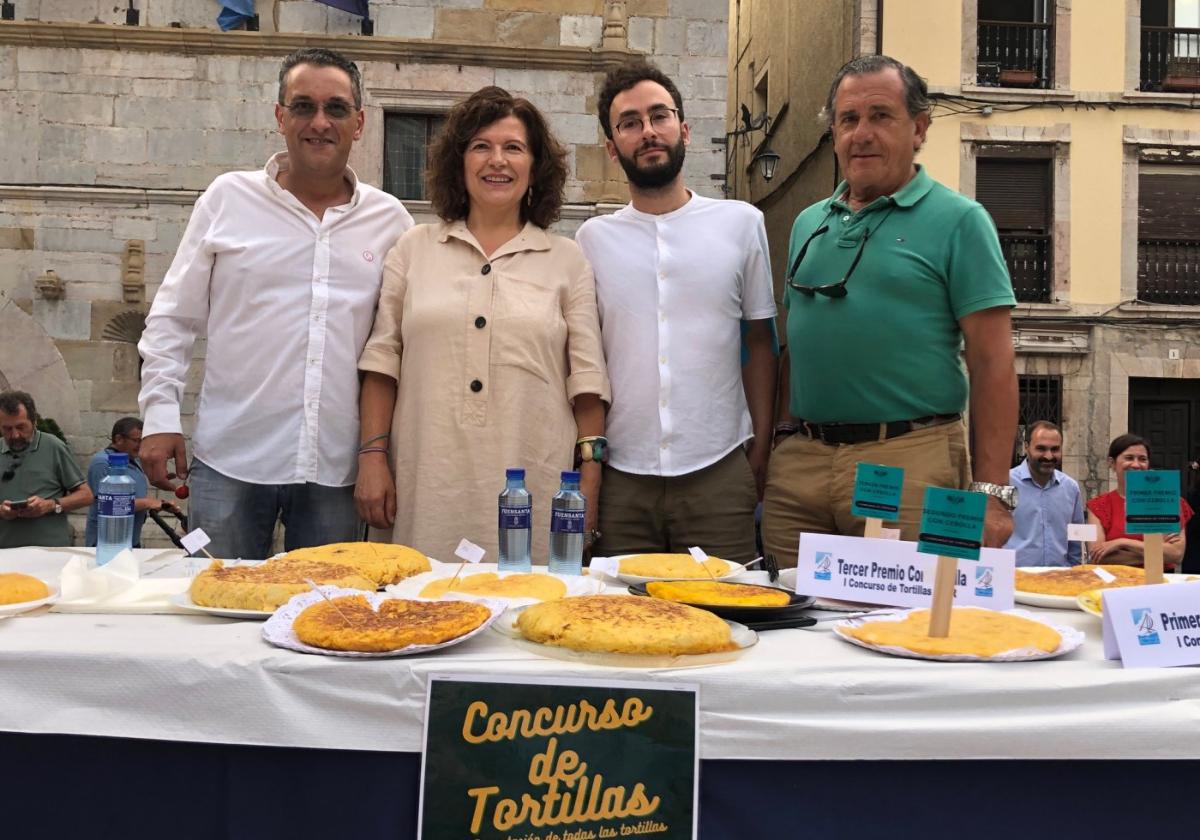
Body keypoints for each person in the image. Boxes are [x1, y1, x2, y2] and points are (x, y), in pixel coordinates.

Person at [137, 48, 413, 559]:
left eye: (335, 109)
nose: (319, 122)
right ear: (280, 116)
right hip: (232, 459)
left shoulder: (391, 220)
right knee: (213, 614)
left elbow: (396, 348)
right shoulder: (227, 199)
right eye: (304, 106)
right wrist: (159, 416)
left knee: (330, 619)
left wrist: (382, 453)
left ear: (358, 123)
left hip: (337, 467)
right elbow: (173, 317)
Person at [762, 54, 1018, 567]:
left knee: (908, 630)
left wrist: (993, 493)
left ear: (919, 127)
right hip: (800, 466)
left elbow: (994, 363)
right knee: (792, 627)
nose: (862, 134)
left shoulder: (961, 221)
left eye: (881, 116)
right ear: (833, 132)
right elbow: (799, 346)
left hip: (910, 461)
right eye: (848, 119)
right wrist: (783, 445)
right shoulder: (808, 223)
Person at [355, 86, 609, 562]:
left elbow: (588, 382)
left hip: (531, 489)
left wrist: (589, 487)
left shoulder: (566, 260)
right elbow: (382, 362)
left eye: (513, 148)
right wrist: (371, 457)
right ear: (459, 162)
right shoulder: (413, 248)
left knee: (525, 623)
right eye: (481, 147)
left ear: (535, 166)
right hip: (425, 486)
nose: (498, 161)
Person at [574, 60, 777, 565]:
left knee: (727, 620)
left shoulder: (741, 224)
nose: (647, 132)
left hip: (719, 470)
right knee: (620, 624)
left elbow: (760, 341)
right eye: (629, 123)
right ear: (611, 145)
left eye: (658, 116)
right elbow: (585, 360)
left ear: (683, 128)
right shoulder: (590, 241)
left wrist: (761, 447)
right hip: (623, 477)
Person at [0, 391, 93, 548]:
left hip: (51, 553)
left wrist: (50, 505)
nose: (15, 435)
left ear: (34, 421)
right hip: (5, 555)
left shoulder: (53, 446)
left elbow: (86, 495)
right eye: (7, 429)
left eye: (21, 427)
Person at [1087, 434, 1192, 568]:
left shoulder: (1169, 501)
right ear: (1112, 463)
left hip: (1160, 582)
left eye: (1142, 459)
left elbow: (1176, 554)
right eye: (1129, 458)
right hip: (1117, 582)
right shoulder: (1099, 506)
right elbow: (1098, 557)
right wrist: (1158, 552)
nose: (1136, 465)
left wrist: (1122, 542)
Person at [84, 418, 176, 548]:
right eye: (136, 441)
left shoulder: (133, 460)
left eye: (143, 441)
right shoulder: (102, 463)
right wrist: (147, 502)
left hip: (130, 540)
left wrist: (160, 504)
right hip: (106, 544)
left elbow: (134, 496)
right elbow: (108, 505)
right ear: (119, 439)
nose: (141, 446)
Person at [1004, 421, 1084, 567]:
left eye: (1055, 449)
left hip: (1059, 580)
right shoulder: (1005, 484)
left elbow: (1075, 539)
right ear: (1026, 447)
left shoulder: (1071, 488)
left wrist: (1074, 572)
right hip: (1016, 580)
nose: (1048, 456)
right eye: (1041, 449)